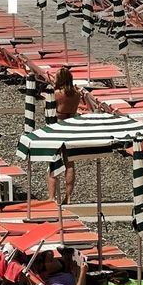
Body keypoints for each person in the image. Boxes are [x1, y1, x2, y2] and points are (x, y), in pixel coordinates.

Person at [47, 68, 81, 204]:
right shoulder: (77, 94)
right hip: (72, 127)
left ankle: (51, 197)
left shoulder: (56, 94)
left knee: (53, 162)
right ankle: (69, 196)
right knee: (70, 164)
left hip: (58, 126)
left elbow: (49, 110)